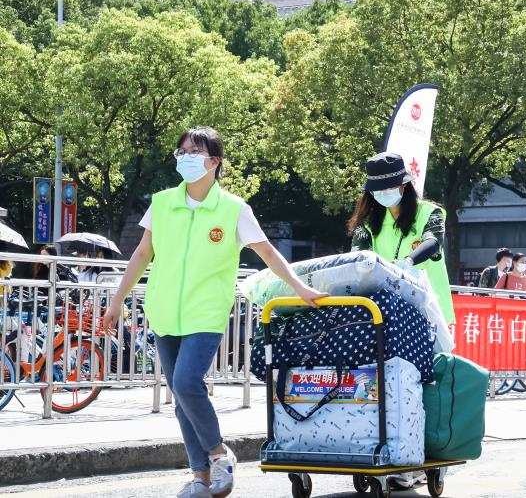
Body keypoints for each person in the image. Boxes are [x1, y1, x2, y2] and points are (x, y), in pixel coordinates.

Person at [101, 127, 326, 498]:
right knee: (180, 396)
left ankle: (220, 454)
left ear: (214, 161)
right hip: (164, 311)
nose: (185, 157)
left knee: (186, 383)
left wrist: (300, 288)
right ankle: (201, 477)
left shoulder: (234, 209)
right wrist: (117, 300)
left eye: (194, 151)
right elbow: (141, 254)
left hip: (205, 313)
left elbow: (268, 253)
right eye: (181, 151)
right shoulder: (162, 203)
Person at [349, 151, 455, 325]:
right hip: (385, 308)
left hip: (430, 307)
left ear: (404, 185)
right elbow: (357, 255)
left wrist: (407, 262)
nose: (383, 192)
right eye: (378, 189)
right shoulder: (366, 221)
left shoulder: (429, 212)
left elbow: (433, 242)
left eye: (388, 188)